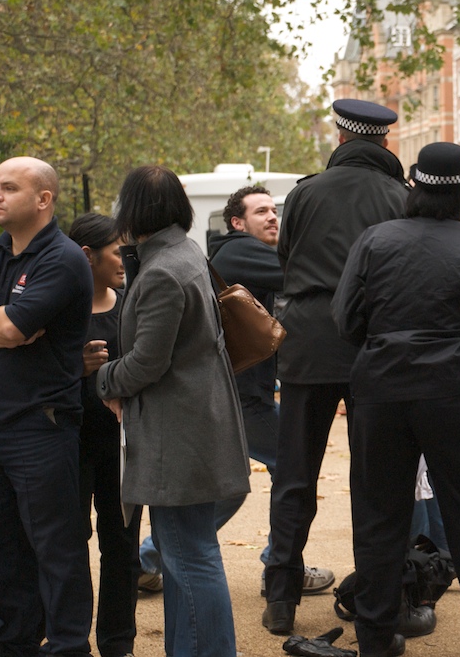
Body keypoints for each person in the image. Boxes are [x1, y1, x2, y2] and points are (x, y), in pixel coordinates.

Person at [333, 142, 460, 657]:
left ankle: (376, 636)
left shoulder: (375, 240)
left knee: (379, 515)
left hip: (383, 387)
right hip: (454, 389)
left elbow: (346, 319)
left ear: (413, 186)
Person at [135, 186, 335, 597]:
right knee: (292, 470)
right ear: (237, 222)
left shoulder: (249, 253)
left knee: (230, 489)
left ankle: (146, 559)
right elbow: (299, 274)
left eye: (275, 210)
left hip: (245, 396)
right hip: (243, 399)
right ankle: (279, 567)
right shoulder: (238, 250)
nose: (273, 217)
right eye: (261, 211)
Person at [0, 156, 94, 657]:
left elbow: (5, 327)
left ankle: (68, 646)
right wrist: (1, 325)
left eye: (9, 187)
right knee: (2, 553)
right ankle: (14, 645)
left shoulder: (63, 258)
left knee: (56, 550)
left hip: (42, 428)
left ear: (43, 199)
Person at [263, 99, 408, 634]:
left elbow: (285, 258)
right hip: (373, 345)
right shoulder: (400, 197)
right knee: (375, 481)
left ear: (343, 138)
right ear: (384, 144)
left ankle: (281, 595)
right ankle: (375, 598)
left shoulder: (304, 192)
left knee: (295, 474)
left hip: (307, 341)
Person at [96, 165, 250, 657]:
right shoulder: (185, 252)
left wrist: (101, 379)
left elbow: (148, 361)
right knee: (189, 552)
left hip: (176, 434)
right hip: (198, 421)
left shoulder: (163, 270)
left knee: (188, 555)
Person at [69, 213, 142, 657]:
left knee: (122, 548)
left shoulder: (130, 302)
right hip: (69, 444)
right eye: (118, 251)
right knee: (71, 546)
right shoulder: (60, 308)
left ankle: (119, 644)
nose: (125, 259)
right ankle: (73, 640)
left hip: (121, 447)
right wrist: (73, 369)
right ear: (87, 256)